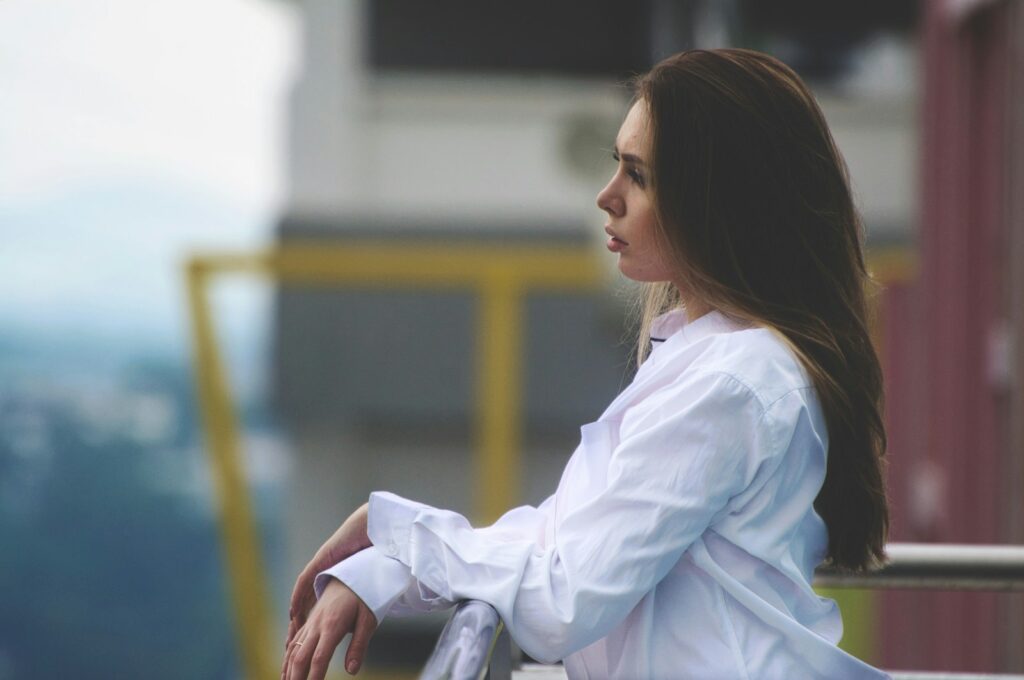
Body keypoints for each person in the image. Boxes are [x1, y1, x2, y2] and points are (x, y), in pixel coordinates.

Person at [281, 47, 890, 680]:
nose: (607, 196)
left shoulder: (730, 383)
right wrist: (386, 555)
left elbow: (562, 601)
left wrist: (400, 538)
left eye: (639, 175)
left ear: (715, 200)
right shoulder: (716, 358)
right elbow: (559, 537)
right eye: (617, 165)